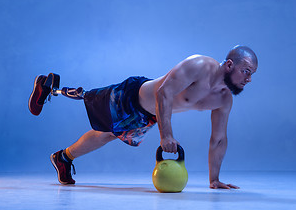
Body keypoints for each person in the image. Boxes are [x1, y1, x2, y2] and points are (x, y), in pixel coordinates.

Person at [28, 45, 258, 189]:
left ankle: (63, 158)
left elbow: (218, 139)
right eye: (246, 71)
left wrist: (214, 179)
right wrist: (166, 134)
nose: (248, 78)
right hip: (132, 96)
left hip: (149, 116)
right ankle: (49, 89)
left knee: (106, 134)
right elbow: (164, 93)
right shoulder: (199, 65)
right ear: (229, 64)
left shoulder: (224, 99)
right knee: (88, 97)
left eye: (252, 74)